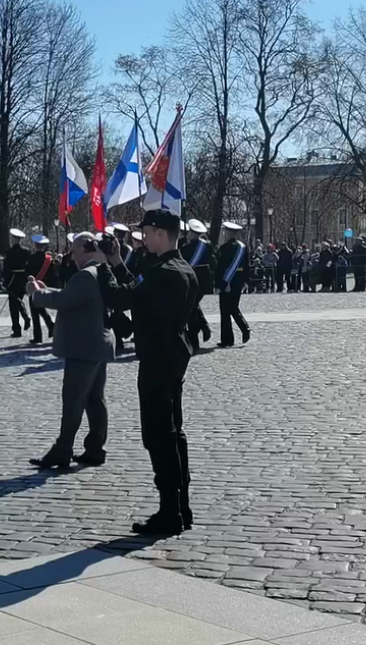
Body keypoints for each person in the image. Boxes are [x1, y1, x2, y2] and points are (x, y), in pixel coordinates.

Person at [102, 209, 198, 535]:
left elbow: (121, 297)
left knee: (158, 436)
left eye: (145, 231)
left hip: (156, 359)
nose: (143, 237)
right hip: (174, 355)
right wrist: (118, 262)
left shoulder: (160, 272)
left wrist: (104, 270)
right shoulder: (183, 269)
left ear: (159, 232)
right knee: (175, 433)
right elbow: (138, 293)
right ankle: (182, 505)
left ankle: (169, 512)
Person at [25, 232, 115, 470]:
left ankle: (63, 449)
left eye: (74, 251)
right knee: (95, 400)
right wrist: (47, 289)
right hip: (95, 345)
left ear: (85, 250)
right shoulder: (99, 272)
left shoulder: (86, 275)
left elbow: (64, 300)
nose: (72, 257)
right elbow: (71, 296)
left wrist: (36, 293)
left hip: (83, 348)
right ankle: (95, 448)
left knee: (73, 401)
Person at [179, 219, 215, 352]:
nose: (188, 234)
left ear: (194, 234)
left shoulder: (187, 248)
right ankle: (204, 328)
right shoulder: (207, 246)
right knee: (193, 306)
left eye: (190, 232)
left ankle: (195, 339)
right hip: (203, 283)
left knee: (191, 308)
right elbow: (213, 263)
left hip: (193, 282)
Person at [216, 222, 251, 348]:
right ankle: (242, 330)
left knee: (226, 310)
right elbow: (247, 265)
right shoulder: (243, 247)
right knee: (233, 307)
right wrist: (246, 281)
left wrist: (221, 283)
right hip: (238, 281)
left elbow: (220, 268)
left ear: (229, 233)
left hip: (227, 281)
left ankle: (229, 338)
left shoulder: (224, 248)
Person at [24, 235, 57, 345]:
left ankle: (38, 336)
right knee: (41, 309)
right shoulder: (48, 260)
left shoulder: (31, 258)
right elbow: (52, 274)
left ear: (35, 245)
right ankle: (51, 326)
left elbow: (27, 273)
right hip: (43, 286)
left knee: (35, 313)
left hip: (34, 286)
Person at [3, 228, 31, 337]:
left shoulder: (9, 252)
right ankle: (25, 316)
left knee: (13, 306)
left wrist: (5, 282)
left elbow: (6, 268)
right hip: (23, 279)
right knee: (19, 300)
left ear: (14, 239)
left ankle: (17, 329)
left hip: (12, 280)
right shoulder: (26, 251)